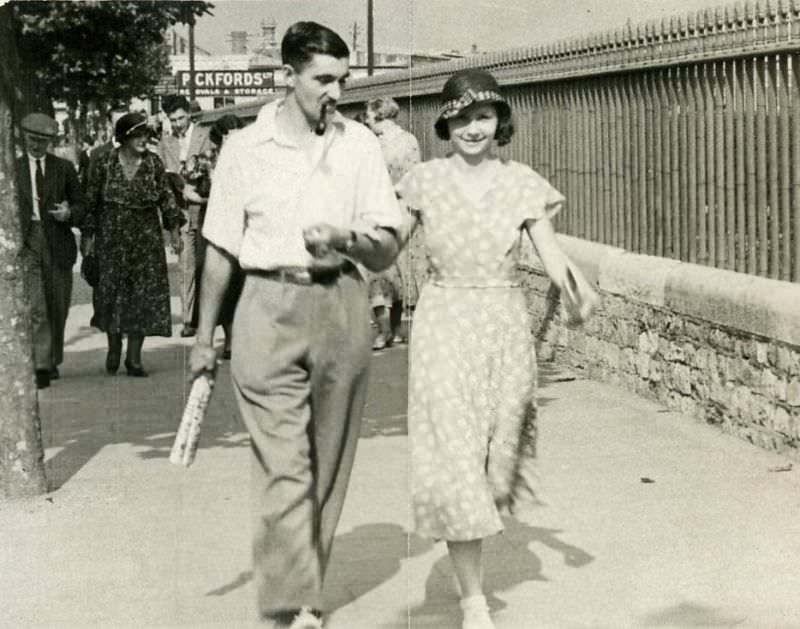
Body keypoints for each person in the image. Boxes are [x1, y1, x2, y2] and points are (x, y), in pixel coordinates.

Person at [189, 21, 402, 629]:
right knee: (284, 463)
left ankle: (306, 594)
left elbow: (387, 247)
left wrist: (350, 238)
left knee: (327, 459)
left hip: (342, 304)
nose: (335, 91)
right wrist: (204, 338)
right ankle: (288, 608)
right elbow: (220, 249)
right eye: (322, 80)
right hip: (265, 306)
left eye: (343, 79)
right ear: (289, 77)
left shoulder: (359, 144)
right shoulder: (244, 149)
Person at [395, 68, 596, 629]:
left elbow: (551, 256)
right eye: (461, 117)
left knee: (496, 456)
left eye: (483, 116)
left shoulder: (522, 183)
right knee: (455, 455)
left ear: (500, 121)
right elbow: (387, 244)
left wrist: (578, 291)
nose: (473, 127)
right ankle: (473, 600)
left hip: (504, 326)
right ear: (446, 123)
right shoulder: (423, 180)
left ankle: (474, 546)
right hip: (444, 324)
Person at [82, 112, 184, 377]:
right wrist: (88, 237)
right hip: (111, 240)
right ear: (124, 137)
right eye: (137, 136)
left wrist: (174, 231)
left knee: (142, 297)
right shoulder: (105, 162)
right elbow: (91, 202)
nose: (143, 141)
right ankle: (114, 347)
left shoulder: (154, 164)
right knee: (112, 295)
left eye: (146, 136)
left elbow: (167, 198)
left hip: (146, 241)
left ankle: (134, 357)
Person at [16, 112, 86, 389]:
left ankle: (52, 357)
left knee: (58, 305)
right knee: (37, 306)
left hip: (58, 241)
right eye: (32, 140)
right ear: (24, 138)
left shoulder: (64, 168)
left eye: (42, 141)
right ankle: (41, 364)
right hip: (28, 239)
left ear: (50, 142)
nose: (36, 146)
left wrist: (69, 213)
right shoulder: (14, 168)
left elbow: (81, 205)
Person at [363, 96, 421, 348]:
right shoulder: (401, 141)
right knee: (386, 269)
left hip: (392, 208)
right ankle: (389, 330)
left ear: (378, 115)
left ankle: (391, 329)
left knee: (390, 270)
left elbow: (414, 176)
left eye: (368, 115)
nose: (366, 121)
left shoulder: (393, 142)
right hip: (389, 209)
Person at [157, 94, 211, 338]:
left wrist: (195, 177)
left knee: (205, 265)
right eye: (173, 120)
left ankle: (209, 315)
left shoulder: (205, 135)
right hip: (181, 211)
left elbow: (212, 166)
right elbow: (162, 178)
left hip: (205, 208)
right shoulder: (165, 142)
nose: (178, 124)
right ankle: (189, 319)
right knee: (185, 266)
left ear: (188, 114)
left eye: (181, 118)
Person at [81, 105, 128, 328]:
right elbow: (90, 192)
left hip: (133, 227)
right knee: (104, 276)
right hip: (105, 226)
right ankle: (105, 319)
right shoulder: (98, 154)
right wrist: (88, 232)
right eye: (117, 122)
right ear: (110, 124)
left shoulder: (141, 152)